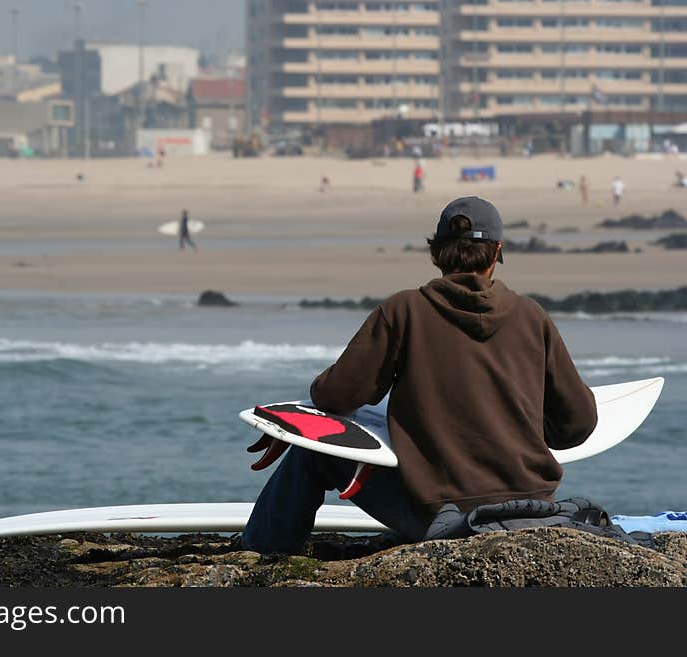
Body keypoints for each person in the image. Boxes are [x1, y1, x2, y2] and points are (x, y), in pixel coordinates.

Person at [241, 196, 598, 554]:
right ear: (496, 253)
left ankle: (262, 548)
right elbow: (578, 426)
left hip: (441, 517)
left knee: (314, 453)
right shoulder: (531, 316)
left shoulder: (404, 311)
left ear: (436, 253)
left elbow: (335, 397)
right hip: (533, 507)